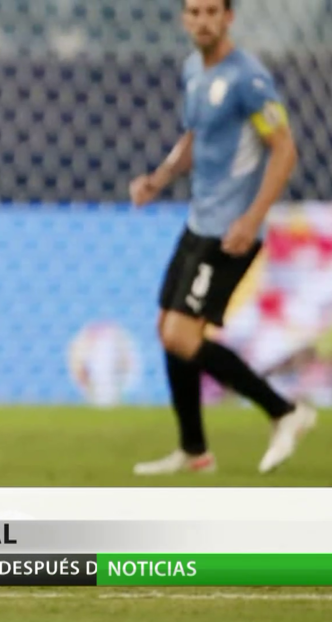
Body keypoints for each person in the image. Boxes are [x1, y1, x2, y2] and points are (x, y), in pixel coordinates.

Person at [129, 0, 316, 475]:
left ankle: (286, 411)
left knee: (181, 335)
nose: (202, 20)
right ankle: (194, 452)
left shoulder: (248, 79)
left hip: (232, 231)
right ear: (184, 19)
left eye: (212, 11)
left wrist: (252, 219)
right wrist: (160, 177)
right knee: (167, 332)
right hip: (199, 222)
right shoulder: (194, 69)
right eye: (194, 11)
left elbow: (284, 149)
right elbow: (195, 134)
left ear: (229, 17)